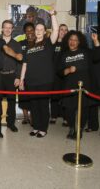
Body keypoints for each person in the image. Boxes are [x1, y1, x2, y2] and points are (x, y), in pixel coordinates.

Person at [19, 7, 58, 138]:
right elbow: (25, 64)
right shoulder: (29, 45)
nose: (39, 31)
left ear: (45, 31)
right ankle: (36, 127)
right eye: (37, 29)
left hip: (45, 80)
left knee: (43, 105)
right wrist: (22, 79)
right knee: (34, 105)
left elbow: (56, 30)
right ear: (35, 31)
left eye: (41, 29)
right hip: (31, 80)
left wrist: (52, 15)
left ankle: (43, 129)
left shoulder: (48, 42)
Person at [58, 31, 100, 139]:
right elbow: (59, 72)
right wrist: (67, 70)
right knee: (68, 109)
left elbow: (99, 56)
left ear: (79, 42)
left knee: (83, 110)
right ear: (67, 40)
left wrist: (96, 41)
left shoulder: (85, 52)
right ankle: (72, 128)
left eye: (75, 40)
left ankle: (80, 130)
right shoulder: (64, 54)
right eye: (70, 39)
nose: (72, 42)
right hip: (69, 87)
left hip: (84, 87)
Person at [0, 20, 22, 132]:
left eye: (10, 28)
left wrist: (18, 77)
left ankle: (11, 123)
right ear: (2, 28)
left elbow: (20, 62)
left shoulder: (17, 45)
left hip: (11, 76)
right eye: (5, 27)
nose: (7, 29)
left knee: (11, 101)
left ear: (12, 30)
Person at [50, 24, 69, 126]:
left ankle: (66, 118)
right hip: (54, 75)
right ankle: (53, 116)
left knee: (66, 97)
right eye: (61, 30)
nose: (63, 32)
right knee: (54, 96)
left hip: (66, 75)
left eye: (66, 30)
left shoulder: (69, 45)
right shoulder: (53, 43)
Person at [18, 22, 35, 125]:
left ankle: (33, 117)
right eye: (27, 30)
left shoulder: (39, 43)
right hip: (23, 74)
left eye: (31, 30)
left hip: (34, 74)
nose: (29, 32)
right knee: (23, 96)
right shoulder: (20, 44)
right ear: (24, 32)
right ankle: (25, 117)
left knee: (33, 97)